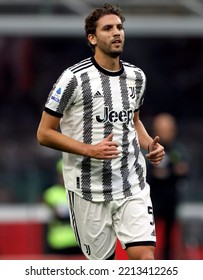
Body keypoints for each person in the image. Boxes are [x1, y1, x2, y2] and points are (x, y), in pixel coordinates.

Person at [37, 3, 165, 260]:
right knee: (103, 269)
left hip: (131, 183)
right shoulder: (73, 79)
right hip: (87, 189)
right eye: (108, 28)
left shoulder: (136, 77)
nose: (116, 32)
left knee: (145, 257)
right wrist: (90, 150)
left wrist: (150, 144)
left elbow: (134, 121)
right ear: (92, 38)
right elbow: (44, 133)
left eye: (119, 27)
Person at [147, 113, 190, 259]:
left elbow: (184, 169)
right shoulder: (148, 148)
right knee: (148, 232)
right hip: (150, 199)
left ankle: (168, 262)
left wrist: (169, 172)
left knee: (171, 234)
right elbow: (146, 172)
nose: (166, 133)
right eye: (162, 129)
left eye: (168, 129)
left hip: (171, 197)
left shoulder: (178, 149)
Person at [43, 158, 82, 256]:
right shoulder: (51, 193)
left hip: (79, 241)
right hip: (59, 242)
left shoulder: (81, 192)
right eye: (63, 174)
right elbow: (58, 214)